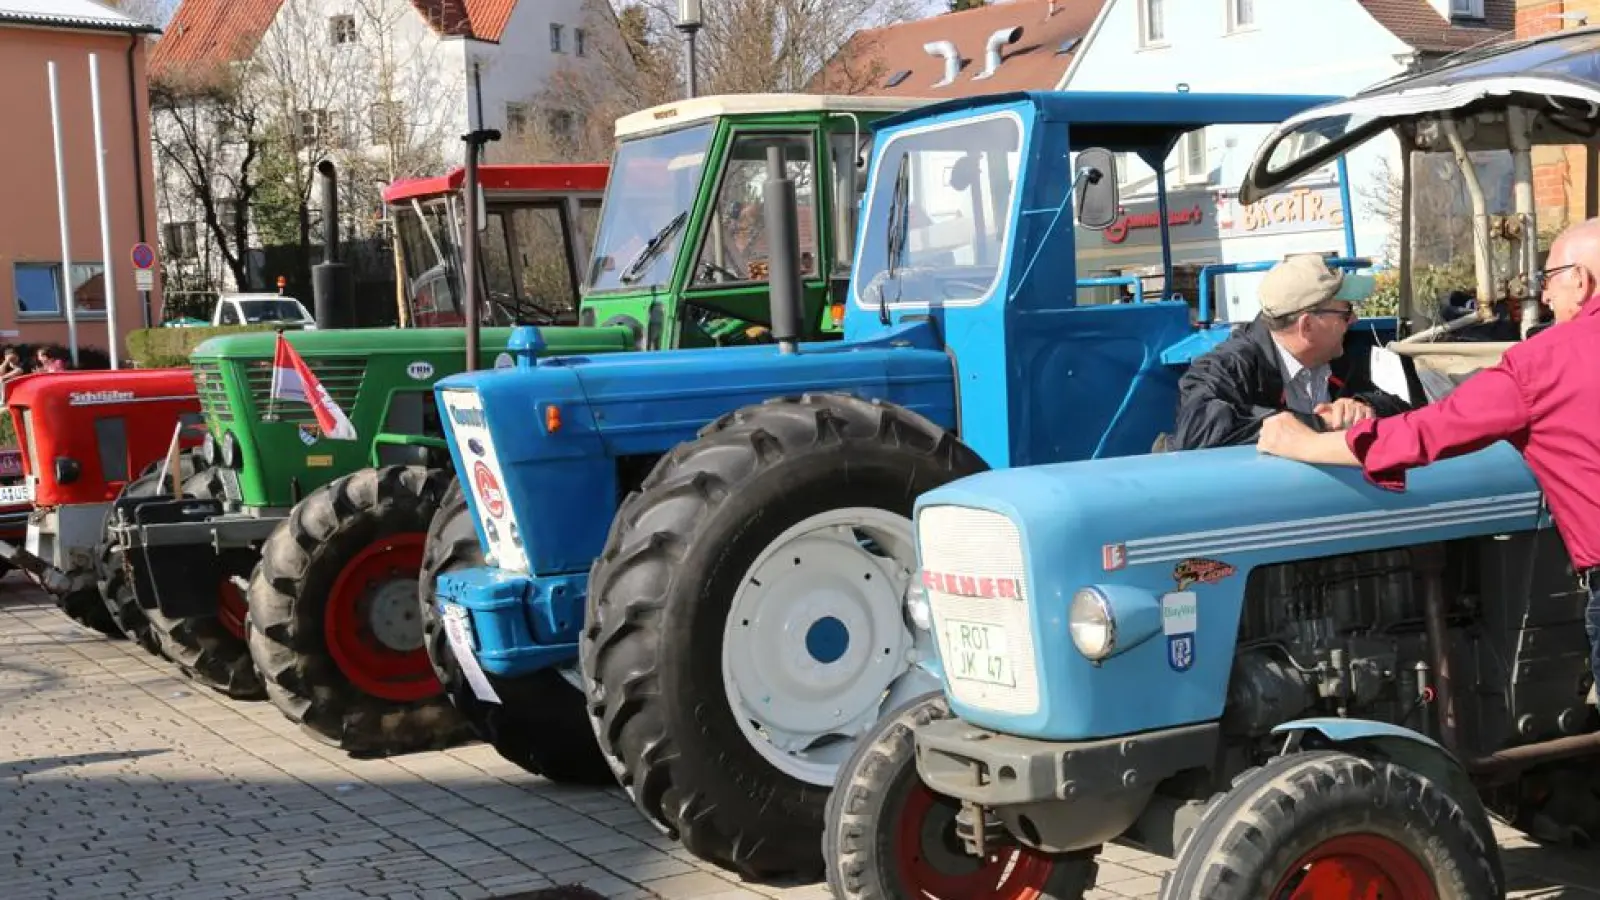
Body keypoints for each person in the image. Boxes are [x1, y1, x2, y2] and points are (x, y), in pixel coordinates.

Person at [1257, 217, 1600, 710]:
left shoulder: (1542, 362)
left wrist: (1303, 444)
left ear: (1581, 281)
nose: (1543, 297)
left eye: (1548, 280)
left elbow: (1430, 431)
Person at [1170, 253, 1412, 450]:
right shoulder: (1226, 367)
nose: (1354, 320)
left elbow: (1410, 409)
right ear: (1307, 326)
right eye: (1346, 312)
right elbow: (1197, 432)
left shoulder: (1343, 350)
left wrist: (1364, 407)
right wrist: (1320, 423)